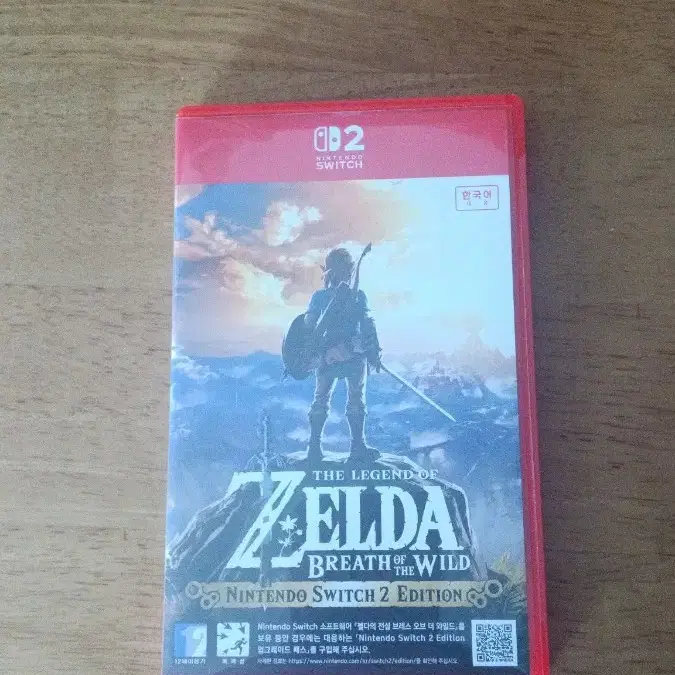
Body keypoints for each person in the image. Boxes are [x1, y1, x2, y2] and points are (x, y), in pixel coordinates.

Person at [304, 247, 381, 463]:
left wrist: (372, 349)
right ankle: (319, 448)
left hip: (345, 353)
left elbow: (366, 323)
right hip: (333, 355)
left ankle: (348, 447)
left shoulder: (352, 296)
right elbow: (310, 326)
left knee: (343, 399)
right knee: (330, 398)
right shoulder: (322, 297)